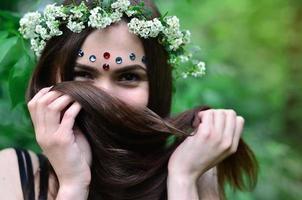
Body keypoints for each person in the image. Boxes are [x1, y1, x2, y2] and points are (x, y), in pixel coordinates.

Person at [0, 0, 258, 199]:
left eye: (128, 77)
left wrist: (182, 180)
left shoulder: (197, 172)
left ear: (156, 87)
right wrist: (73, 185)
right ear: (48, 81)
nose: (105, 95)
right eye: (83, 74)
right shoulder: (14, 172)